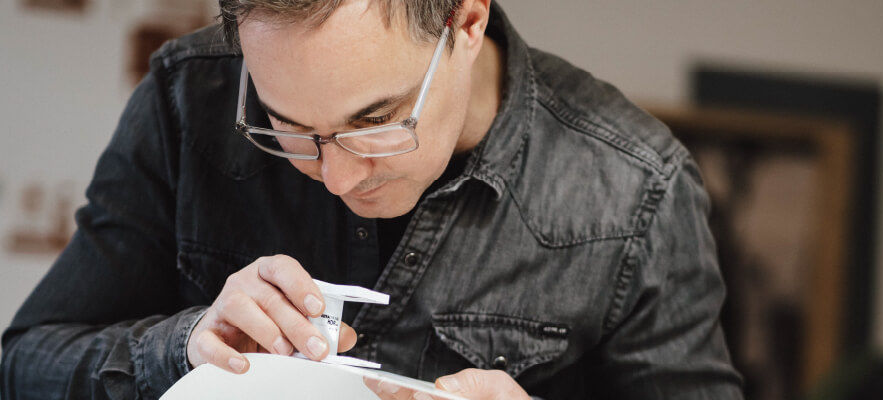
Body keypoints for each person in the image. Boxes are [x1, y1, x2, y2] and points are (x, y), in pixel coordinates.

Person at [0, 0, 743, 398]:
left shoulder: (637, 190)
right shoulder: (187, 98)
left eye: (376, 122)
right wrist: (182, 348)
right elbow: (23, 366)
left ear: (467, 19)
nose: (339, 177)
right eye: (287, 129)